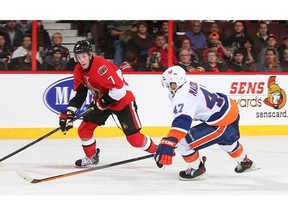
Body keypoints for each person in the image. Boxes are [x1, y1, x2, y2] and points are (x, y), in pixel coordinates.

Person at [59, 40, 157, 167]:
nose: (81, 60)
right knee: (84, 129)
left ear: (90, 55)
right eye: (79, 57)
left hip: (122, 101)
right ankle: (91, 157)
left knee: (135, 139)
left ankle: (159, 151)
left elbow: (119, 90)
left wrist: (101, 103)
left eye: (84, 56)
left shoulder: (101, 66)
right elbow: (80, 94)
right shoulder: (79, 69)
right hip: (102, 101)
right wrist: (70, 112)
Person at [154, 65, 258, 180]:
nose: (169, 86)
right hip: (229, 109)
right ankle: (245, 163)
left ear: (178, 82)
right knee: (227, 142)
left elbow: (181, 124)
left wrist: (170, 142)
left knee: (183, 143)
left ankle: (197, 169)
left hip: (222, 122)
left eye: (171, 84)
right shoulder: (189, 84)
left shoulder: (182, 97)